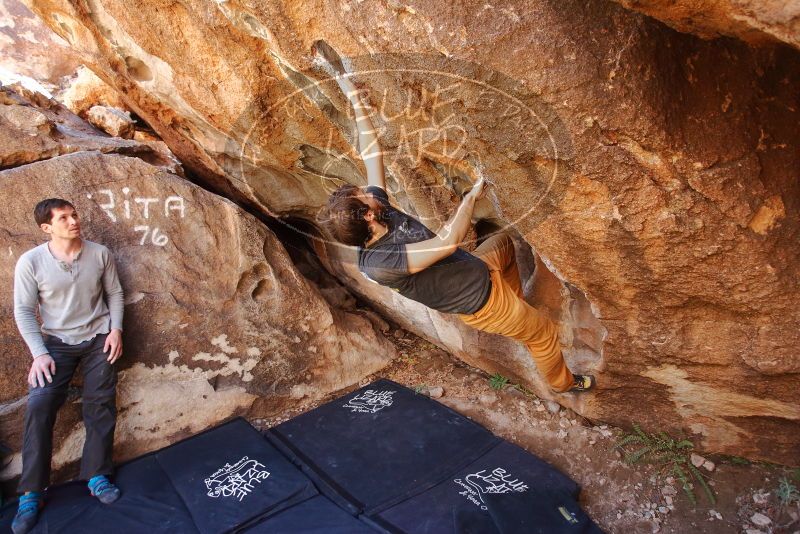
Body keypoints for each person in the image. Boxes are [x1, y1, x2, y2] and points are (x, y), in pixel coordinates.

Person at [318, 47, 595, 396]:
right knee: (543, 333)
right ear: (367, 216)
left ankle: (519, 313)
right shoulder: (381, 263)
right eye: (363, 195)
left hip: (477, 268)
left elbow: (372, 153)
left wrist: (355, 99)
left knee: (504, 244)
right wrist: (471, 197)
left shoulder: (379, 213)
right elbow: (447, 243)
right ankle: (564, 384)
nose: (367, 190)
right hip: (483, 301)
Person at [11, 198, 124, 534]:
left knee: (100, 403)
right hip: (56, 344)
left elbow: (115, 293)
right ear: (46, 227)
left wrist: (116, 329)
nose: (74, 221)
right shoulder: (31, 261)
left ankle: (97, 475)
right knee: (40, 404)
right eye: (64, 218)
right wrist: (39, 353)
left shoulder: (99, 253)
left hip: (98, 338)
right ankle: (31, 491)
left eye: (74, 215)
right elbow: (23, 310)